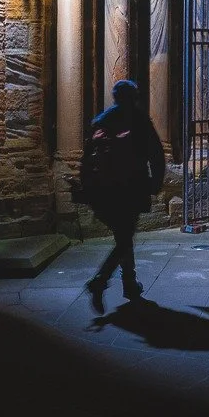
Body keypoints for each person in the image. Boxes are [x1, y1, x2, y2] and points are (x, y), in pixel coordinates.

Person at [78, 79, 166, 312]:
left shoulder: (100, 121)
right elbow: (155, 153)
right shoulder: (138, 120)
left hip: (103, 189)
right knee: (125, 238)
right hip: (129, 187)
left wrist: (85, 186)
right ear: (134, 97)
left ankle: (129, 284)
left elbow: (86, 159)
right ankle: (100, 281)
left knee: (123, 235)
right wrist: (156, 182)